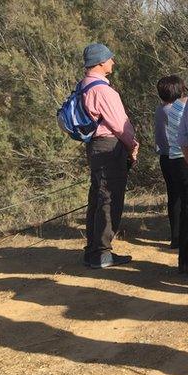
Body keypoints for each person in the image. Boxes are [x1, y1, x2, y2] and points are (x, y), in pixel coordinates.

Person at [80, 43, 139, 269]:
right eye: (110, 59)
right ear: (101, 62)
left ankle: (93, 250)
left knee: (96, 197)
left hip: (94, 146)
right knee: (109, 199)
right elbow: (120, 125)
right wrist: (132, 146)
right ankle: (103, 253)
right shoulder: (103, 90)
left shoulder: (83, 86)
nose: (113, 62)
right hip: (109, 147)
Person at [154, 75, 188, 275]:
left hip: (169, 157)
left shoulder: (165, 109)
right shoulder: (180, 108)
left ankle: (178, 242)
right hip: (182, 158)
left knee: (177, 199)